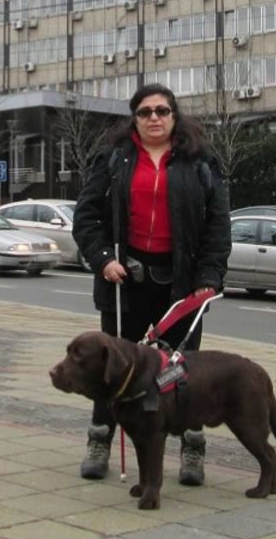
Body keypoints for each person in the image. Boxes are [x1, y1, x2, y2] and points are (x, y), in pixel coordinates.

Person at [72, 82, 231, 485]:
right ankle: (100, 439)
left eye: (162, 110)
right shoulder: (114, 158)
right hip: (125, 281)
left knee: (178, 370)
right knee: (111, 369)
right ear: (134, 118)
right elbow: (86, 217)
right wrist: (103, 260)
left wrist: (209, 277)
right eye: (145, 112)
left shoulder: (199, 161)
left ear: (174, 116)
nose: (154, 118)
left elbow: (217, 225)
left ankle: (191, 447)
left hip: (181, 285)